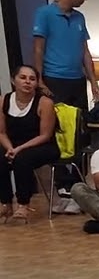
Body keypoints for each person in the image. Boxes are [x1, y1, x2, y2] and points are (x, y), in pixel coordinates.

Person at [0, 65, 59, 223]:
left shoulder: (44, 103)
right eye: (23, 78)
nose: (27, 82)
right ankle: (5, 203)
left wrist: (19, 149)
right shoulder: (3, 101)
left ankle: (23, 205)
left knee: (22, 159)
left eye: (32, 79)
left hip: (41, 145)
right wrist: (10, 148)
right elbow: (2, 132)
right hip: (13, 145)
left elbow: (45, 135)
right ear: (14, 80)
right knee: (1, 157)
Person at [33, 0, 99, 110]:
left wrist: (93, 82)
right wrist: (39, 79)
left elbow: (85, 52)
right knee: (59, 123)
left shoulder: (79, 17)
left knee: (79, 122)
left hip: (78, 79)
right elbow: (38, 49)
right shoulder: (44, 13)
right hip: (54, 78)